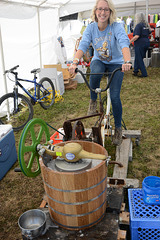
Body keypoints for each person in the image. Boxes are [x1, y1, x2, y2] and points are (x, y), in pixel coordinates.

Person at [69, 0, 131, 146]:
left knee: (115, 97)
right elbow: (83, 44)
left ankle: (118, 128)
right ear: (95, 11)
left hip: (116, 63)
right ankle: (93, 100)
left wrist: (127, 61)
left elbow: (124, 43)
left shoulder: (116, 27)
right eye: (100, 9)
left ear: (110, 12)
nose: (102, 12)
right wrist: (75, 62)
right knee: (95, 72)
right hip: (99, 60)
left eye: (106, 10)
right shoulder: (91, 28)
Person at [130, 12, 151, 78]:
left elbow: (136, 36)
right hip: (146, 42)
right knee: (139, 57)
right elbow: (150, 34)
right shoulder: (146, 25)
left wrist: (129, 41)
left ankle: (144, 73)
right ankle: (135, 70)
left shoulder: (138, 25)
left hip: (140, 43)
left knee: (139, 58)